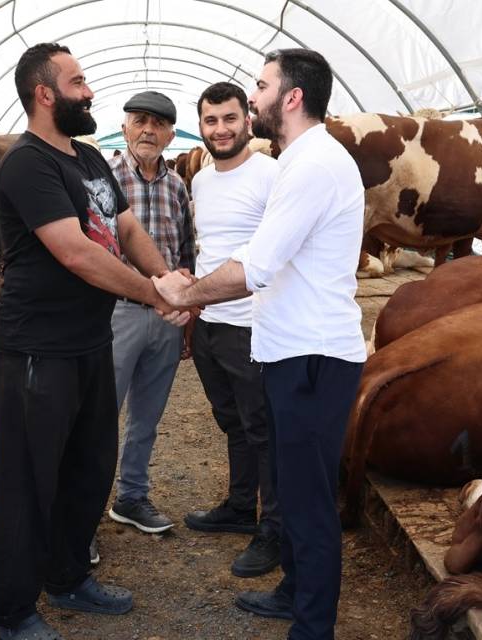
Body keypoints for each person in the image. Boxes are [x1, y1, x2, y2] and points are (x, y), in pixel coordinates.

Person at [153, 49, 366, 640]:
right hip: (291, 350)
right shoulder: (303, 159)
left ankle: (312, 626)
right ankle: (295, 591)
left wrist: (186, 295)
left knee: (309, 498)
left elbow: (257, 266)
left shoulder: (312, 165)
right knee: (295, 487)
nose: (254, 97)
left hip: (313, 356)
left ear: (291, 97)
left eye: (262, 86)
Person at [0, 42, 189, 640]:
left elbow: (126, 228)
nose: (91, 91)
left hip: (87, 342)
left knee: (89, 464)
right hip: (35, 350)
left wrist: (166, 279)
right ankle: (13, 611)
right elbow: (77, 252)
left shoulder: (88, 159)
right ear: (45, 94)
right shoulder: (27, 164)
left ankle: (70, 577)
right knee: (29, 479)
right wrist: (156, 297)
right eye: (79, 82)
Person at [183, 81, 284, 578]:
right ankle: (241, 507)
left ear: (248, 120)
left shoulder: (272, 175)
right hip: (212, 324)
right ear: (200, 126)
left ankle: (274, 529)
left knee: (263, 430)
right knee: (234, 423)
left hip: (253, 327)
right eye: (210, 120)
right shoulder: (201, 179)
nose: (220, 129)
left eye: (229, 118)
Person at [104, 91, 196, 535]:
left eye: (158, 124)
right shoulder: (103, 179)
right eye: (139, 120)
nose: (148, 130)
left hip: (166, 319)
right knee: (100, 415)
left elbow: (184, 252)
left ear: (170, 135)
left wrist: (186, 311)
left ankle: (132, 496)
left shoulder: (177, 185)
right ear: (123, 128)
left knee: (147, 417)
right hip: (117, 313)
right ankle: (83, 516)